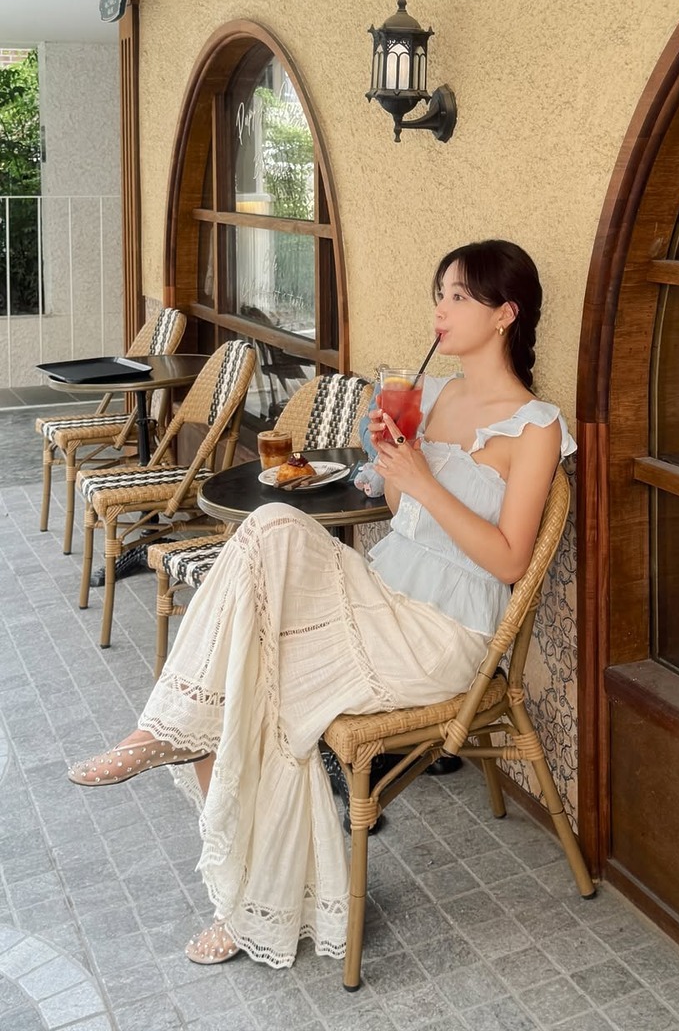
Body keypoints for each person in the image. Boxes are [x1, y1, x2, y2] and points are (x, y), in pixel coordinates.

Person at [67, 238, 576, 969]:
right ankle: (191, 776)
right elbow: (403, 516)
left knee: (262, 677)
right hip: (383, 592)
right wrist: (394, 464)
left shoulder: (534, 425)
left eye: (460, 296)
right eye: (439, 293)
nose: (441, 309)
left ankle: (232, 868)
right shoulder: (431, 393)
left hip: (443, 633)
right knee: (271, 532)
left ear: (506, 314)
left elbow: (510, 559)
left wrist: (424, 479)